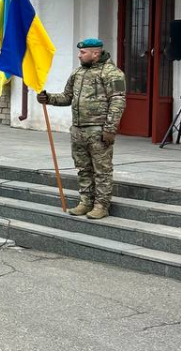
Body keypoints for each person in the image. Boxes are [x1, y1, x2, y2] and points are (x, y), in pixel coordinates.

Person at [38, 38, 127, 220]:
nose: (79, 55)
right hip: (78, 130)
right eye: (80, 52)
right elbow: (66, 97)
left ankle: (101, 205)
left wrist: (110, 128)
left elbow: (118, 100)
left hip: (98, 130)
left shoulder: (112, 73)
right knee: (83, 169)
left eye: (83, 52)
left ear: (95, 53)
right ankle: (86, 202)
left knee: (102, 170)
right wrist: (48, 98)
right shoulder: (78, 73)